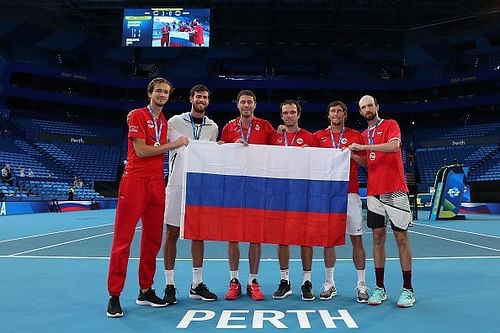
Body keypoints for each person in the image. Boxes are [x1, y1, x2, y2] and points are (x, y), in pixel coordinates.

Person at [106, 77, 189, 318]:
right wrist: (173, 145)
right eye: (158, 91)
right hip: (135, 181)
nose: (162, 95)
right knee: (123, 240)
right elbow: (141, 151)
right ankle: (114, 295)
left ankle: (145, 290)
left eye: (166, 92)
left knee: (152, 241)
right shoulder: (137, 115)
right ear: (150, 93)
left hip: (156, 184)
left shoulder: (163, 121)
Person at [348, 95, 415, 308]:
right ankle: (379, 288)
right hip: (374, 194)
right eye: (363, 107)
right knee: (377, 238)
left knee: (401, 238)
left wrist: (365, 147)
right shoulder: (364, 135)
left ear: (376, 107)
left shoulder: (390, 124)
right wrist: (348, 155)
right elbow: (367, 163)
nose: (367, 109)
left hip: (395, 191)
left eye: (370, 105)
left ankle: (408, 289)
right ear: (360, 112)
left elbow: (394, 147)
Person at [163, 85, 219, 304]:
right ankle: (169, 284)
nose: (202, 100)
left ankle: (197, 284)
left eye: (205, 97)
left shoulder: (213, 127)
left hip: (199, 187)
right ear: (191, 98)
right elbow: (164, 145)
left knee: (198, 233)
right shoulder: (175, 122)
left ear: (208, 101)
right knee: (172, 233)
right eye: (198, 96)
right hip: (177, 184)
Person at [220, 89, 275, 301]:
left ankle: (253, 281)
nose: (246, 105)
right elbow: (220, 153)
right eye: (242, 102)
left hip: (257, 187)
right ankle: (234, 281)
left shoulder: (266, 127)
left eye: (249, 102)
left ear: (255, 104)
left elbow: (279, 147)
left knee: (255, 236)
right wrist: (224, 147)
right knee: (232, 236)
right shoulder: (227, 128)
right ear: (238, 105)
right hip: (234, 187)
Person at [314, 101, 369, 303]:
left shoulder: (356, 136)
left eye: (339, 111)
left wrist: (353, 153)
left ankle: (361, 284)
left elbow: (366, 163)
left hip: (351, 194)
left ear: (345, 114)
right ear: (328, 115)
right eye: (333, 111)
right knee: (329, 240)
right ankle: (329, 283)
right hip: (328, 195)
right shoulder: (318, 136)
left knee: (357, 239)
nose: (336, 114)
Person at [269, 100, 317, 301]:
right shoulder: (274, 137)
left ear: (298, 114)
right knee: (282, 238)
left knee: (305, 238)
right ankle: (285, 281)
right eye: (285, 113)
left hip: (303, 193)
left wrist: (310, 153)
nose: (289, 116)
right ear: (281, 116)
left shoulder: (309, 137)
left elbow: (320, 164)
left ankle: (306, 281)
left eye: (292, 112)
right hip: (280, 194)